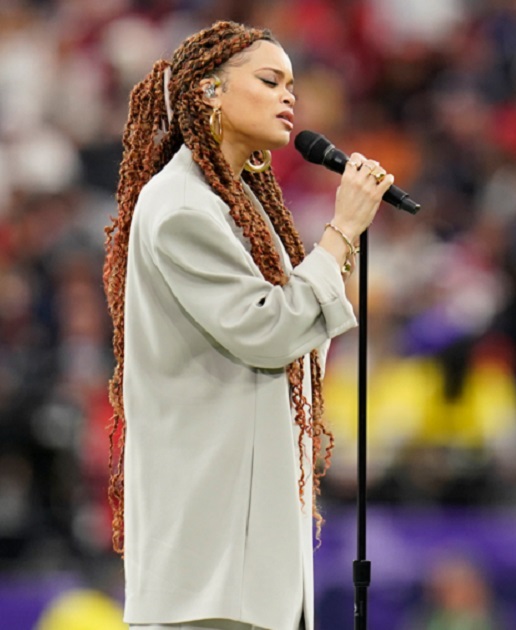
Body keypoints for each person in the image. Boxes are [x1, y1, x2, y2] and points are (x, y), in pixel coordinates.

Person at [101, 21, 395, 630]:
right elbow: (268, 332)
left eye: (292, 83)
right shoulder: (182, 206)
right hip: (209, 560)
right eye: (269, 80)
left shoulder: (236, 201)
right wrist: (340, 232)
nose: (290, 96)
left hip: (240, 547)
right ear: (208, 91)